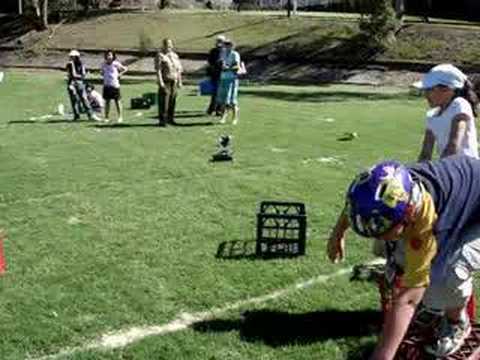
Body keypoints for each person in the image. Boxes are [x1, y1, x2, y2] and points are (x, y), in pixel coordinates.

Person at [327, 156, 480, 359]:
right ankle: (435, 309)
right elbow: (360, 205)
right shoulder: (395, 190)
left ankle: (457, 322)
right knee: (386, 248)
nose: (377, 234)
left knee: (443, 277)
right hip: (463, 189)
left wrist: (381, 356)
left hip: (475, 214)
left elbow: (407, 300)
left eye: (382, 228)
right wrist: (338, 232)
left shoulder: (425, 223)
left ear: (407, 216)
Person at [415, 64, 479, 162]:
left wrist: (440, 171)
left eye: (429, 90)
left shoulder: (460, 104)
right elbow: (425, 153)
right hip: (448, 168)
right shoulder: (431, 115)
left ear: (448, 90)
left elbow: (453, 145)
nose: (425, 94)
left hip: (468, 170)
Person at [155, 38, 183, 126]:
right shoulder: (160, 55)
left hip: (174, 81)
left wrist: (180, 81)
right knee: (164, 102)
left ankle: (171, 119)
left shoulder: (175, 56)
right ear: (163, 45)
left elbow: (179, 69)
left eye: (170, 44)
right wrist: (160, 81)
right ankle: (162, 120)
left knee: (172, 101)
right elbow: (158, 70)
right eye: (167, 44)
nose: (169, 46)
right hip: (165, 81)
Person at [66, 50, 99, 121]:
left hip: (80, 83)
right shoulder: (69, 65)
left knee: (84, 99)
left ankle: (91, 115)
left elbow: (83, 75)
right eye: (70, 57)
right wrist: (72, 66)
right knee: (74, 100)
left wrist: (77, 75)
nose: (71, 58)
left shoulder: (81, 64)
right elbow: (71, 75)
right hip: (71, 83)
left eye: (72, 57)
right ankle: (76, 116)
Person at [216, 39, 241, 125]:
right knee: (223, 100)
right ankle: (223, 117)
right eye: (226, 44)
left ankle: (235, 118)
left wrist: (229, 68)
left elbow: (237, 66)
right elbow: (220, 63)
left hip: (232, 79)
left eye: (229, 45)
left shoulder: (235, 54)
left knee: (232, 100)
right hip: (223, 78)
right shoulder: (223, 54)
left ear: (232, 46)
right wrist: (221, 65)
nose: (227, 46)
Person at [101, 50, 128, 123]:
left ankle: (120, 117)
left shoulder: (116, 64)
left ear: (113, 56)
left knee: (117, 101)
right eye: (107, 55)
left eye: (110, 55)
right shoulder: (103, 64)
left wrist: (120, 74)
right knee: (107, 102)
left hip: (115, 85)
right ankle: (106, 117)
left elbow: (125, 69)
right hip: (106, 85)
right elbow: (102, 72)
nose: (108, 56)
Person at [206, 35, 225, 116]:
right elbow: (210, 62)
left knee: (221, 93)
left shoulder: (225, 51)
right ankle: (212, 109)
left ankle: (219, 109)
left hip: (223, 74)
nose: (219, 43)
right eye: (218, 41)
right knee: (215, 92)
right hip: (215, 75)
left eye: (221, 41)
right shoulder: (213, 51)